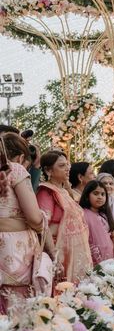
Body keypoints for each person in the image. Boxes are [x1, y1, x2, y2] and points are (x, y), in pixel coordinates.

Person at [0, 133, 46, 313]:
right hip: (14, 249)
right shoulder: (15, 170)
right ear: (20, 157)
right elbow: (34, 217)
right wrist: (43, 221)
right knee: (17, 313)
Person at [37, 150, 92, 286]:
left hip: (75, 251)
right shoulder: (46, 192)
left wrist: (67, 186)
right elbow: (43, 226)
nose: (67, 168)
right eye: (61, 166)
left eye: (67, 165)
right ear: (48, 170)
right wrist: (54, 256)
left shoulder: (63, 191)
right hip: (58, 251)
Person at [79, 180, 114, 266]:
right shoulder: (83, 214)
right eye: (96, 193)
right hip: (93, 260)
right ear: (87, 196)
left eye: (102, 194)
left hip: (110, 257)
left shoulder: (104, 215)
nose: (100, 197)